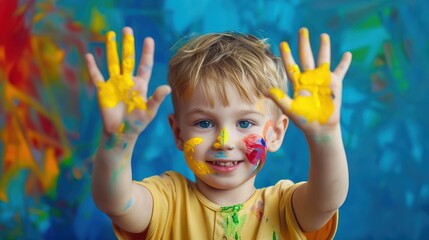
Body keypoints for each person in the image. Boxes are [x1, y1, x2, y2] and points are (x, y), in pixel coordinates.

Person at [85, 26, 351, 239]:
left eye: (245, 123)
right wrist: (117, 142)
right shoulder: (166, 201)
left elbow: (328, 200)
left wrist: (325, 136)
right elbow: (115, 202)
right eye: (204, 123)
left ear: (276, 133)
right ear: (178, 133)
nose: (224, 142)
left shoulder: (284, 207)